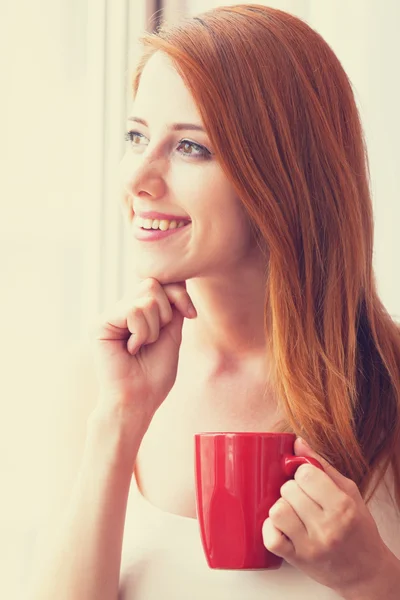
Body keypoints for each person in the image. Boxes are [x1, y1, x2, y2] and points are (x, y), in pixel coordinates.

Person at [27, 4, 400, 599]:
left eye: (191, 148)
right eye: (136, 135)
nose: (138, 177)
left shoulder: (391, 383)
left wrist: (373, 579)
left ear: (282, 177)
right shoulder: (97, 384)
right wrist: (121, 420)